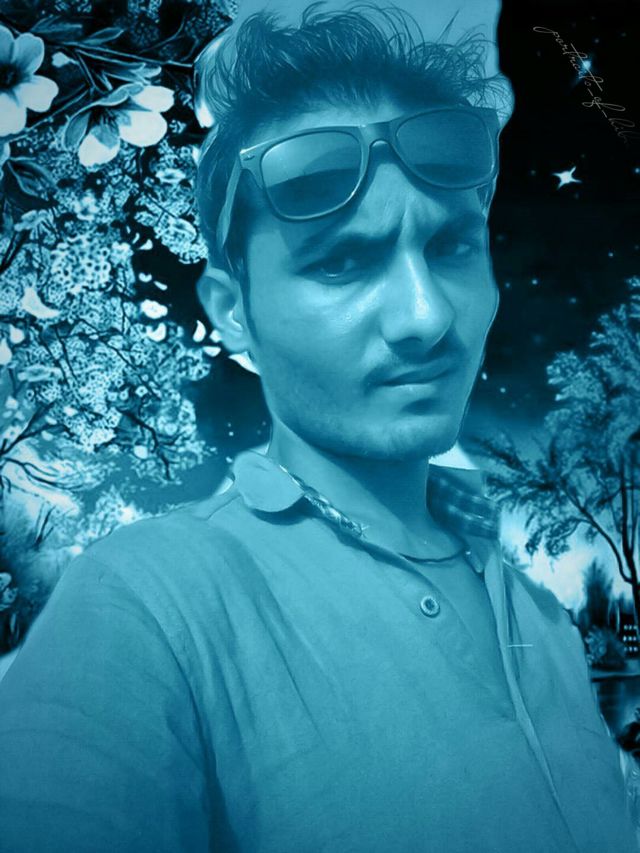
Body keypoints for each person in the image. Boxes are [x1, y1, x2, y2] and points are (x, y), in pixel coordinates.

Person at [0, 6, 637, 852]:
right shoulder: (145, 604)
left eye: (450, 247)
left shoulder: (545, 621)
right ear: (234, 313)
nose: (425, 317)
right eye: (341, 261)